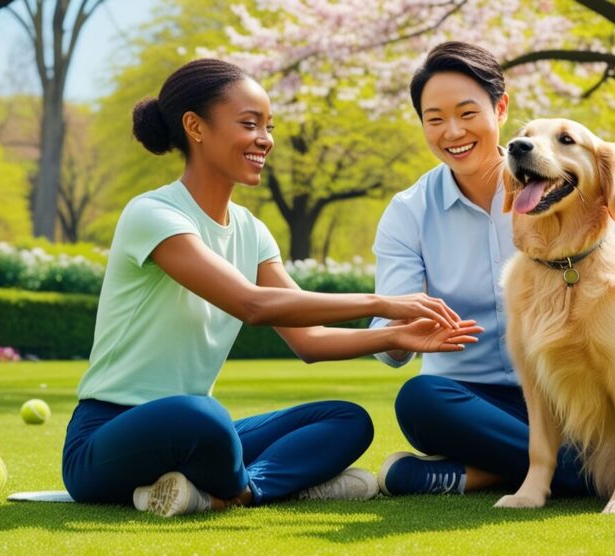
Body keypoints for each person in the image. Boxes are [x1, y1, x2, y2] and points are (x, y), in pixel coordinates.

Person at [61, 58, 482, 517]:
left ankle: (237, 492)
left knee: (346, 420)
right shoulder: (155, 214)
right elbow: (252, 304)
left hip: (199, 431)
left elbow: (308, 341)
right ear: (195, 127)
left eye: (268, 126)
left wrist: (393, 335)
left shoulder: (251, 231)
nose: (265, 139)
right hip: (106, 437)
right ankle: (281, 482)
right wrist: (383, 303)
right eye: (250, 124)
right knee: (202, 417)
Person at [371, 42, 615, 497]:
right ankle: (572, 474)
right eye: (435, 119)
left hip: (575, 398)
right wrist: (399, 334)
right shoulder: (408, 213)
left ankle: (489, 474)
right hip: (475, 399)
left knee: (593, 428)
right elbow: (392, 335)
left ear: (500, 108)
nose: (453, 131)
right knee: (420, 401)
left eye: (467, 113)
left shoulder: (566, 186)